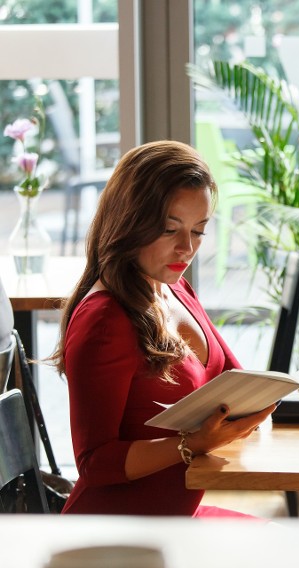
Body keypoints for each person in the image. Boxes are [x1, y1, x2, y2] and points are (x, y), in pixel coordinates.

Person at [51, 140, 275, 516]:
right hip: (119, 537)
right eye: (170, 230)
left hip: (175, 521)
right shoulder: (105, 320)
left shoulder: (174, 287)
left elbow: (233, 378)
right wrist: (192, 443)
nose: (186, 248)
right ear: (129, 221)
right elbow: (95, 462)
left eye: (199, 231)